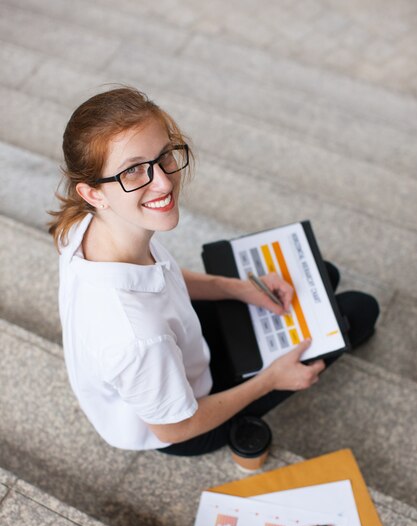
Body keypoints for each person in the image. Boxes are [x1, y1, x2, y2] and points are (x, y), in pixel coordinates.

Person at [49, 86, 379, 456]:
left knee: (323, 275)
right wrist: (271, 380)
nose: (162, 181)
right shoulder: (137, 338)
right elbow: (177, 427)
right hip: (187, 417)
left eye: (163, 156)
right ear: (93, 193)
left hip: (181, 348)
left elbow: (160, 278)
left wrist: (238, 288)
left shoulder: (92, 226)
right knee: (360, 310)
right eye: (134, 170)